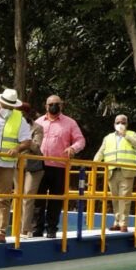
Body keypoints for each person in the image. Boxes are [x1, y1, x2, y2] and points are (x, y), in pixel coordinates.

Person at [0, 88, 32, 242]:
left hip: (6, 164)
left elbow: (27, 141)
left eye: (11, 105)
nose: (8, 107)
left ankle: (1, 231)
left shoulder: (19, 118)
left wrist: (17, 148)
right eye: (6, 104)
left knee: (3, 198)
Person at [32, 95, 85, 238]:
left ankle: (51, 230)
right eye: (51, 104)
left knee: (56, 200)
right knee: (38, 200)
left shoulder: (70, 123)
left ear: (61, 106)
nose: (53, 106)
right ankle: (36, 229)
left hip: (59, 167)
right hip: (39, 166)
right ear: (46, 106)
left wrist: (73, 148)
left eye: (57, 104)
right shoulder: (38, 122)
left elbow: (80, 140)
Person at [92, 113, 136, 232]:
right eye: (118, 122)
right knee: (115, 198)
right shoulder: (108, 137)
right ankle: (117, 222)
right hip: (112, 171)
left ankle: (123, 223)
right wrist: (94, 163)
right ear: (114, 124)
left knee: (124, 198)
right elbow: (101, 152)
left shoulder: (133, 134)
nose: (120, 124)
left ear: (127, 124)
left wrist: (125, 135)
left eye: (123, 122)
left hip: (127, 171)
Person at [19, 109, 44, 238]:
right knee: (17, 196)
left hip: (33, 166)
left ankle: (25, 229)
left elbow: (36, 146)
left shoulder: (37, 128)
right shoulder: (13, 124)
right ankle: (13, 228)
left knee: (28, 196)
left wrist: (26, 142)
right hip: (15, 164)